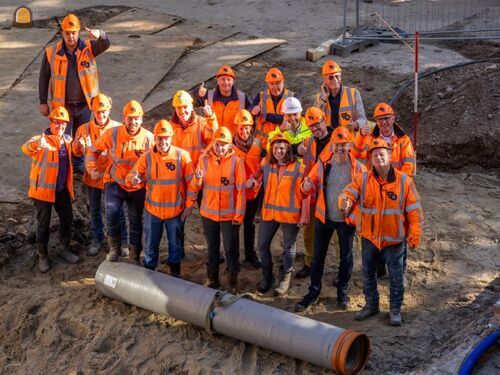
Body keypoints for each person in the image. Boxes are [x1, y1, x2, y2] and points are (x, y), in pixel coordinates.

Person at [339, 138, 423, 326]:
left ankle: (395, 310)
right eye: (374, 155)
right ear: (370, 159)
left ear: (390, 155)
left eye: (381, 154)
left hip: (394, 240)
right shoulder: (363, 179)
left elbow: (415, 211)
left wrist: (414, 234)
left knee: (396, 276)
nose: (378, 158)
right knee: (368, 273)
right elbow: (348, 192)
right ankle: (371, 305)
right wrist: (344, 201)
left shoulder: (404, 181)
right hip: (370, 237)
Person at [295, 127, 365, 312]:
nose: (341, 148)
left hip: (346, 221)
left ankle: (342, 291)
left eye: (344, 144)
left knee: (346, 257)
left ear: (350, 145)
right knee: (318, 257)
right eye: (338, 145)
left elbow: (365, 196)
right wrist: (306, 186)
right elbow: (307, 185)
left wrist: (355, 216)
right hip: (324, 218)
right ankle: (314, 291)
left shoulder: (358, 168)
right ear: (332, 146)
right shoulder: (324, 164)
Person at [39, 13, 110, 173]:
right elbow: (43, 78)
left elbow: (105, 43)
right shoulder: (51, 53)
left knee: (81, 136)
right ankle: (64, 166)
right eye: (67, 33)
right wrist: (43, 101)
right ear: (62, 33)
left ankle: (77, 165)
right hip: (63, 106)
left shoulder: (89, 48)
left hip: (86, 104)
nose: (71, 36)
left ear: (78, 32)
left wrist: (100, 34)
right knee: (63, 137)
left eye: (74, 32)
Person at [86, 100, 154, 263]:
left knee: (136, 219)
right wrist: (91, 168)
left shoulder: (148, 139)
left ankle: (134, 254)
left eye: (136, 118)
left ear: (141, 119)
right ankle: (115, 248)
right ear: (124, 118)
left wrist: (147, 179)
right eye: (129, 118)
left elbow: (155, 162)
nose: (133, 122)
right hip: (115, 181)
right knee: (111, 212)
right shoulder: (113, 134)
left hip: (137, 186)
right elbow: (93, 150)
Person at [126, 120, 194, 277]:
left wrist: (190, 204)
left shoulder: (182, 156)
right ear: (155, 138)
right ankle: (149, 273)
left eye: (166, 138)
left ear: (171, 138)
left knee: (175, 245)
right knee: (150, 244)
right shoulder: (147, 157)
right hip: (153, 212)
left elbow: (192, 183)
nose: (163, 141)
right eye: (160, 138)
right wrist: (133, 179)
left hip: (175, 212)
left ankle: (175, 274)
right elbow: (133, 175)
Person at [247, 133, 309, 296]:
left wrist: (304, 216)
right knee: (262, 245)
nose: (278, 151)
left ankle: (285, 279)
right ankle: (268, 277)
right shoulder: (266, 164)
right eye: (275, 148)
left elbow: (305, 193)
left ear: (288, 149)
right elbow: (257, 178)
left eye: (281, 148)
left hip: (290, 215)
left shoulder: (299, 167)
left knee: (289, 247)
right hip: (270, 213)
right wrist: (252, 183)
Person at [22, 107, 80, 273]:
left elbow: (77, 152)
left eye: (63, 124)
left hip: (61, 190)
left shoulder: (67, 141)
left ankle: (64, 248)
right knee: (43, 225)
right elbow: (26, 148)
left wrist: (81, 145)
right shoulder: (41, 140)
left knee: (67, 219)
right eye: (57, 123)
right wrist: (36, 144)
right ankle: (43, 255)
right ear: (50, 123)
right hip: (43, 192)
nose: (60, 127)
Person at [187, 127, 246, 290]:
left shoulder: (236, 162)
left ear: (229, 145)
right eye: (217, 144)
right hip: (208, 214)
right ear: (213, 143)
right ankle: (212, 278)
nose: (220, 148)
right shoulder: (204, 160)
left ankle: (232, 282)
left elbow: (241, 191)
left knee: (230, 247)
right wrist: (196, 181)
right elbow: (196, 185)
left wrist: (239, 215)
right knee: (212, 247)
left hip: (229, 216)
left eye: (223, 145)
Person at [72, 93, 128, 257]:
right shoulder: (84, 129)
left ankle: (123, 241)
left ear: (109, 110)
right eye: (98, 112)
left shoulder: (117, 129)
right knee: (95, 210)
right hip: (92, 178)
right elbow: (76, 153)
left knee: (117, 210)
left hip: (112, 177)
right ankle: (97, 239)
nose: (101, 115)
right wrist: (77, 145)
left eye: (104, 111)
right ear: (93, 111)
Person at [295, 107, 335, 279]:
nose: (315, 129)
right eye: (311, 126)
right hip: (314, 193)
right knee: (309, 232)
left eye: (317, 124)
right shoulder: (309, 141)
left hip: (333, 195)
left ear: (324, 120)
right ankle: (309, 263)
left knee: (337, 237)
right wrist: (297, 149)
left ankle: (340, 269)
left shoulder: (338, 139)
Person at [231, 109, 263, 269]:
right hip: (235, 193)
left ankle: (250, 255)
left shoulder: (258, 143)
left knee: (249, 224)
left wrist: (257, 180)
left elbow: (263, 165)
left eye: (247, 127)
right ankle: (234, 257)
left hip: (252, 192)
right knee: (235, 224)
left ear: (251, 127)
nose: (244, 131)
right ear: (236, 127)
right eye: (241, 127)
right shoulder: (229, 145)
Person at [314, 59, 367, 132]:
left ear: (340, 77)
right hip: (329, 137)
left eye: (337, 76)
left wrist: (356, 124)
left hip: (348, 137)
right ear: (324, 80)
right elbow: (314, 119)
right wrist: (324, 98)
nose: (335, 80)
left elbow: (363, 119)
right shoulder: (319, 97)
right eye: (331, 77)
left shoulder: (353, 93)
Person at [195, 65, 250, 133]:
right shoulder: (209, 95)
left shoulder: (242, 98)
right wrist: (197, 93)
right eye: (223, 79)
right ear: (218, 81)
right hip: (214, 140)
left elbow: (251, 117)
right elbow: (191, 102)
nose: (226, 82)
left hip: (234, 141)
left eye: (228, 79)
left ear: (233, 82)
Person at [170, 90, 218, 168]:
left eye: (185, 107)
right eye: (179, 107)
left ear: (191, 107)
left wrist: (211, 118)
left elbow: (214, 138)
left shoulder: (201, 123)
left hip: (197, 173)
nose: (182, 111)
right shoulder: (170, 127)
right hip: (178, 175)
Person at [252, 68, 297, 149]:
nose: (275, 87)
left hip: (284, 145)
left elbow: (287, 119)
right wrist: (253, 112)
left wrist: (265, 116)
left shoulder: (292, 97)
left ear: (283, 82)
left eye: (278, 83)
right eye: (272, 84)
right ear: (268, 84)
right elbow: (249, 114)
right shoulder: (260, 96)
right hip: (263, 145)